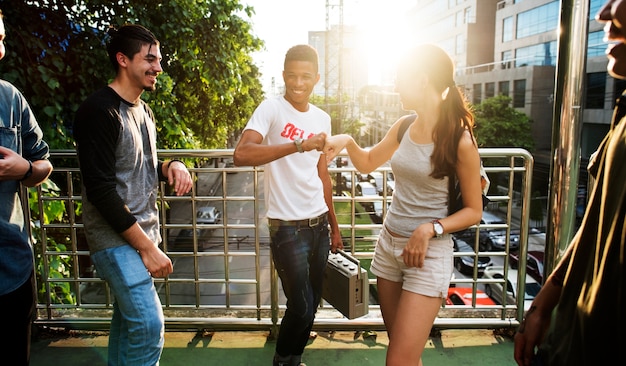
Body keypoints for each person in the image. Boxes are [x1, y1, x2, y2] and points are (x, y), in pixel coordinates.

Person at [323, 44, 483, 366]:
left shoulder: (459, 140)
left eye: (399, 78)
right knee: (404, 353)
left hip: (428, 255)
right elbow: (367, 162)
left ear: (422, 79)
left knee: (398, 360)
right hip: (389, 248)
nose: (395, 86)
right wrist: (347, 141)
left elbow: (474, 210)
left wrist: (430, 228)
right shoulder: (405, 125)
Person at [513, 1, 626, 365]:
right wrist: (547, 299)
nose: (605, 13)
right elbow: (597, 221)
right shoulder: (622, 114)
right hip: (576, 338)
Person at [73, 24, 192, 366]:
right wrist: (147, 248)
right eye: (150, 59)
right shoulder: (98, 110)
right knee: (148, 322)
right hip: (116, 240)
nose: (159, 67)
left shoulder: (144, 110)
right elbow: (101, 190)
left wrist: (172, 164)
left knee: (128, 324)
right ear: (122, 59)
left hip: (143, 233)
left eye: (159, 59)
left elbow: (141, 164)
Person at [233, 44, 343, 366]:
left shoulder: (323, 117)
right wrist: (298, 145)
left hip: (319, 225)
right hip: (286, 229)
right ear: (283, 76)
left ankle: (293, 360)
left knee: (314, 302)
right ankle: (282, 361)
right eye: (292, 76)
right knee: (301, 306)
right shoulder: (270, 109)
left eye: (306, 77)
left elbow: (323, 177)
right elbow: (242, 154)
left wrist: (335, 227)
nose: (298, 83)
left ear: (317, 79)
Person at [0, 9, 53, 366]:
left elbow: (44, 163)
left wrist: (26, 168)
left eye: (1, 39)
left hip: (10, 268)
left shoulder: (10, 98)